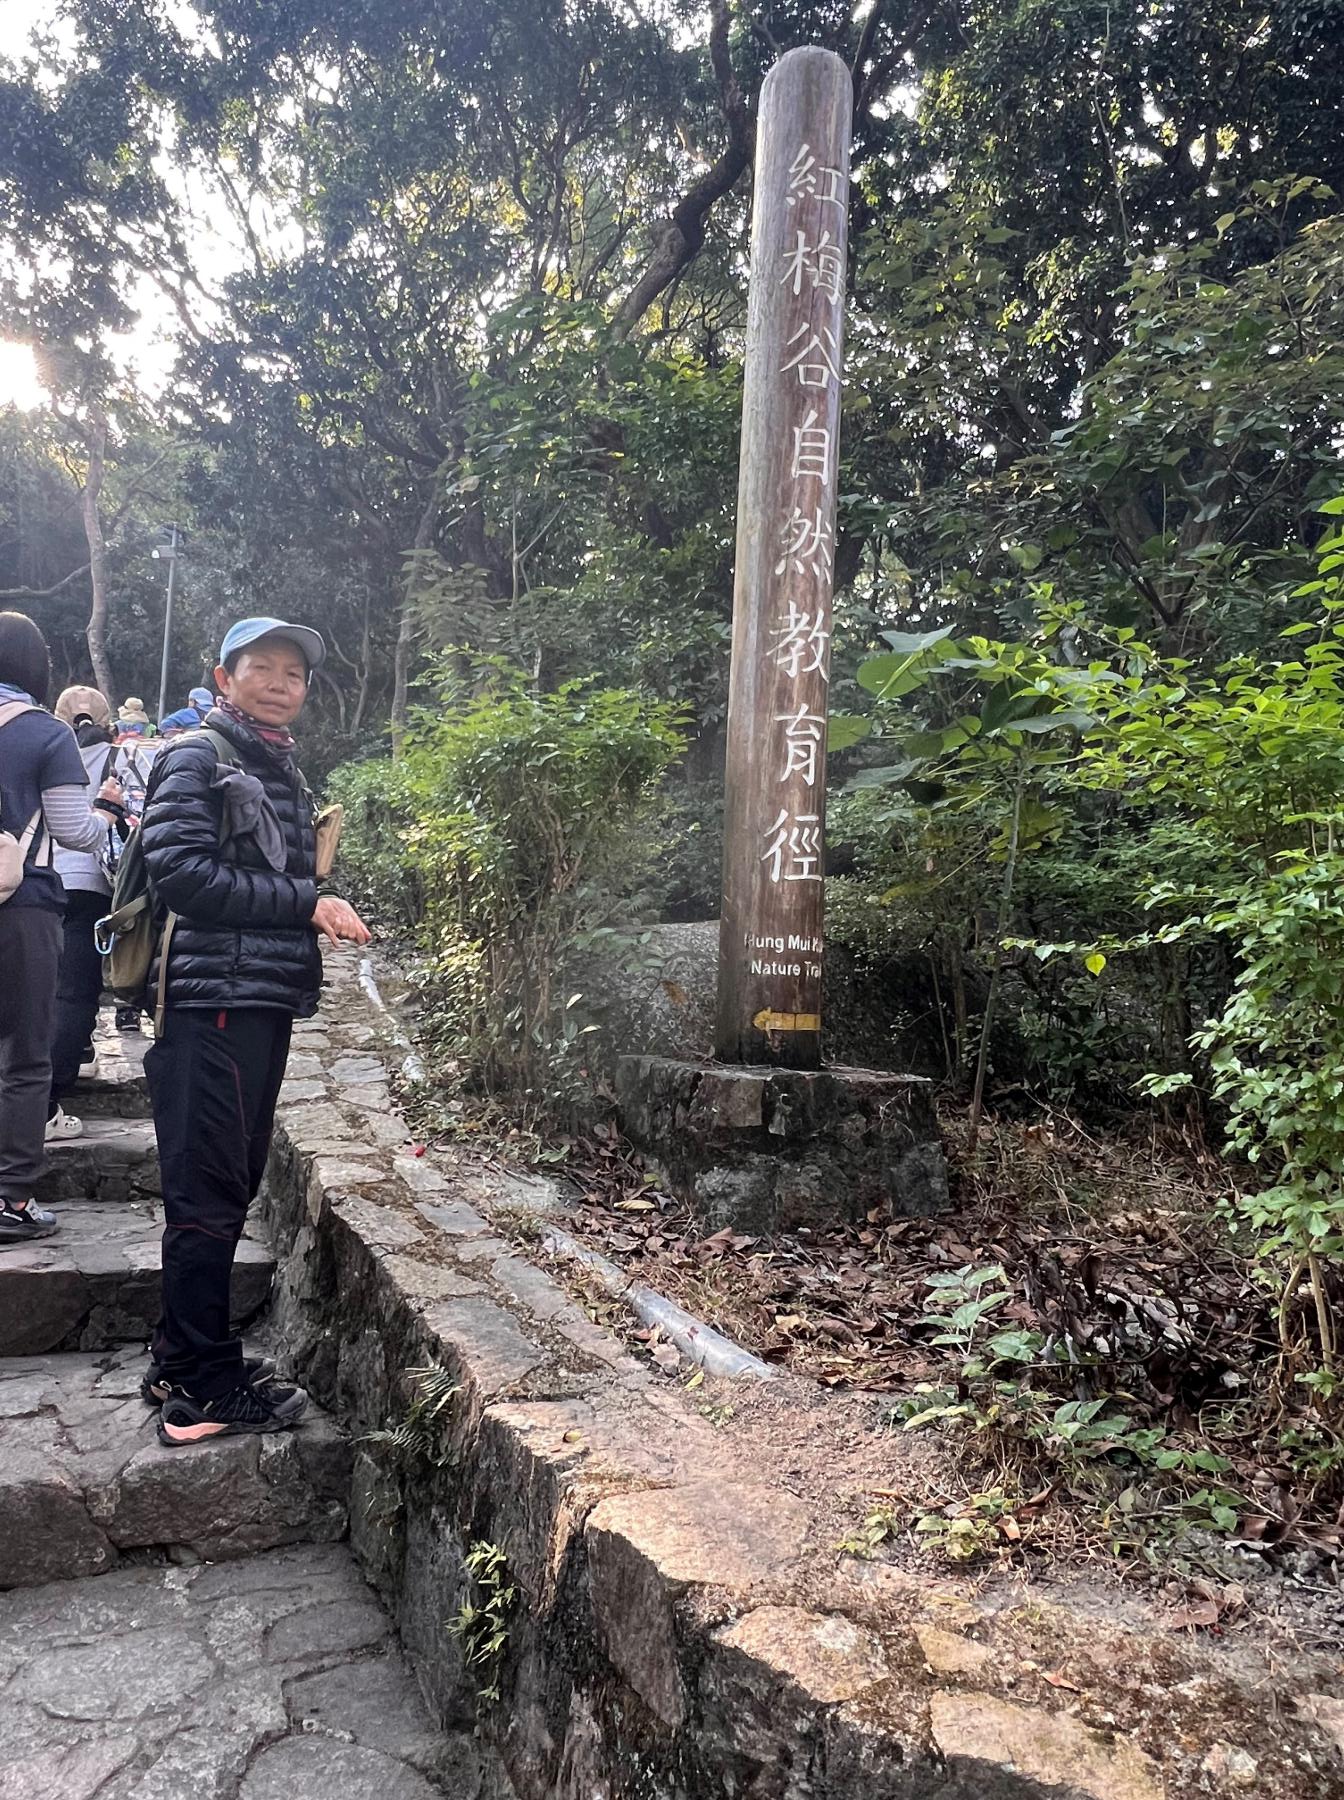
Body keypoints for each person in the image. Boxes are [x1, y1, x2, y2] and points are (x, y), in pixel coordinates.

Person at [138, 615, 370, 1444]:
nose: (280, 683)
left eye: (294, 673)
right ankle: (201, 1388)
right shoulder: (197, 756)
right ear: (223, 676)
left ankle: (178, 1355)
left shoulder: (273, 761)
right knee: (207, 1193)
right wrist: (307, 902)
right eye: (262, 667)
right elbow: (182, 875)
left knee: (226, 1183)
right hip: (213, 1006)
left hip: (252, 999)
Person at [0, 614, 123, 1246]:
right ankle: (11, 1199)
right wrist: (106, 810)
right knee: (24, 1054)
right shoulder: (46, 733)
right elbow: (74, 831)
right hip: (22, 907)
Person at [45, 684, 122, 1140]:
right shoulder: (120, 757)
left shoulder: (45, 746)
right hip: (92, 883)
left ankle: (67, 1064)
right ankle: (48, 1100)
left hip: (37, 878)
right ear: (106, 719)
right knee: (75, 991)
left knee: (41, 989)